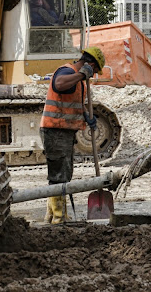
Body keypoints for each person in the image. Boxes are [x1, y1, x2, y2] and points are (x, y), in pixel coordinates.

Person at [40, 46, 105, 224]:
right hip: (55, 130)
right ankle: (60, 218)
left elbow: (73, 101)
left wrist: (85, 115)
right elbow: (59, 84)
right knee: (59, 175)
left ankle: (52, 215)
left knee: (64, 173)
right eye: (95, 71)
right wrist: (81, 75)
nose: (93, 75)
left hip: (64, 131)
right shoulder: (67, 71)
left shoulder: (78, 80)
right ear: (90, 64)